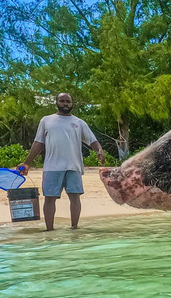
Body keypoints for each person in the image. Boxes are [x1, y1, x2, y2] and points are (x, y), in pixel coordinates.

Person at [16, 92, 105, 230]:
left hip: (73, 167)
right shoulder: (46, 120)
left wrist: (99, 150)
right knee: (50, 198)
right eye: (62, 101)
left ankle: (74, 228)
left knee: (75, 197)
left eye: (68, 101)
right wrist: (27, 162)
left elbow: (92, 140)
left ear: (72, 104)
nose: (65, 104)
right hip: (52, 167)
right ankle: (49, 230)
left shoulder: (79, 122)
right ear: (56, 102)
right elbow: (38, 143)